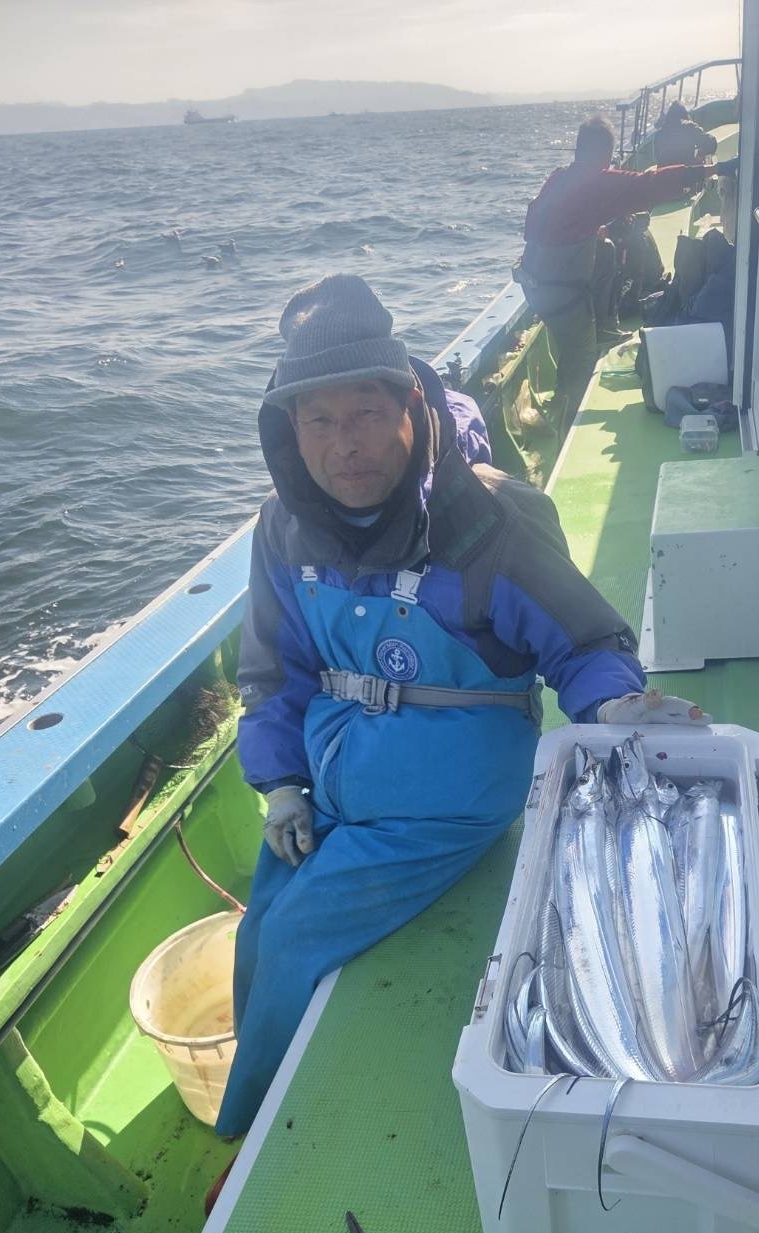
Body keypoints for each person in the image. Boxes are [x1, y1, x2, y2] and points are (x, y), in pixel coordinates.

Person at [216, 274, 708, 1137]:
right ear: (288, 430)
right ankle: (258, 1086)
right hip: (330, 778)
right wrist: (281, 781)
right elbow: (272, 671)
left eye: (366, 414)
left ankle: (251, 1129)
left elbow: (583, 643)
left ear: (411, 406)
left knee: (293, 941)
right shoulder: (280, 528)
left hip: (444, 797)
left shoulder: (492, 522)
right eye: (319, 422)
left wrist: (614, 705)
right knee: (256, 931)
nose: (345, 446)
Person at [517, 116, 718, 429]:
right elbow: (649, 184)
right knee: (580, 354)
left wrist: (588, 229)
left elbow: (542, 225)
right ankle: (565, 418)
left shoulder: (560, 178)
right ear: (604, 154)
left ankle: (602, 327)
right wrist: (709, 170)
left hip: (534, 279)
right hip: (558, 292)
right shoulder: (596, 181)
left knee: (607, 249)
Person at [653, 101, 720, 167]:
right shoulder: (689, 127)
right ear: (684, 114)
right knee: (708, 160)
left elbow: (659, 159)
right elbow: (711, 142)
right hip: (685, 171)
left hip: (665, 173)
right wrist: (700, 156)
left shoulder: (659, 135)